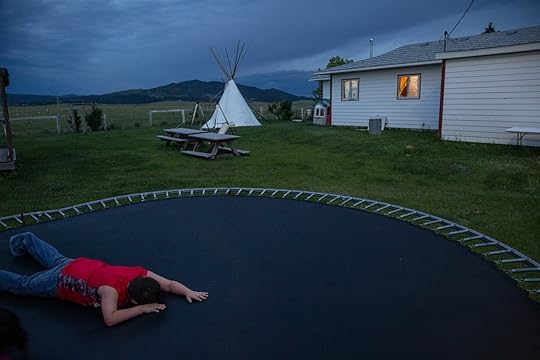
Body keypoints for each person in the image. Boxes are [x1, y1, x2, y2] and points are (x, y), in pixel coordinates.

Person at [0, 232, 208, 327]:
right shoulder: (111, 291)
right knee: (23, 286)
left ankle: (27, 239)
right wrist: (142, 309)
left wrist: (188, 291)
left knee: (56, 258)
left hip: (79, 264)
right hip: (61, 280)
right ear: (132, 300)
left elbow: (169, 284)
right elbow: (110, 318)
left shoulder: (140, 272)